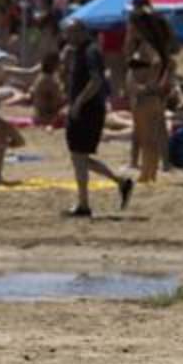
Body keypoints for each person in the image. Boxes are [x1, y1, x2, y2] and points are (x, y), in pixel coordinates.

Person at [64, 19, 133, 217]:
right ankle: (118, 183)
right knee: (80, 157)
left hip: (88, 111)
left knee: (79, 156)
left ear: (81, 31)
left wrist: (78, 103)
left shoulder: (91, 51)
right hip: (83, 110)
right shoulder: (78, 51)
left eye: (71, 33)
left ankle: (84, 204)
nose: (68, 38)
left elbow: (96, 81)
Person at [124, 0, 174, 184]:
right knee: (151, 137)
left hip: (145, 96)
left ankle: (147, 173)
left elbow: (156, 63)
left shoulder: (145, 46)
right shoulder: (151, 45)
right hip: (151, 96)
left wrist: (146, 85)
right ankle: (150, 172)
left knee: (146, 138)